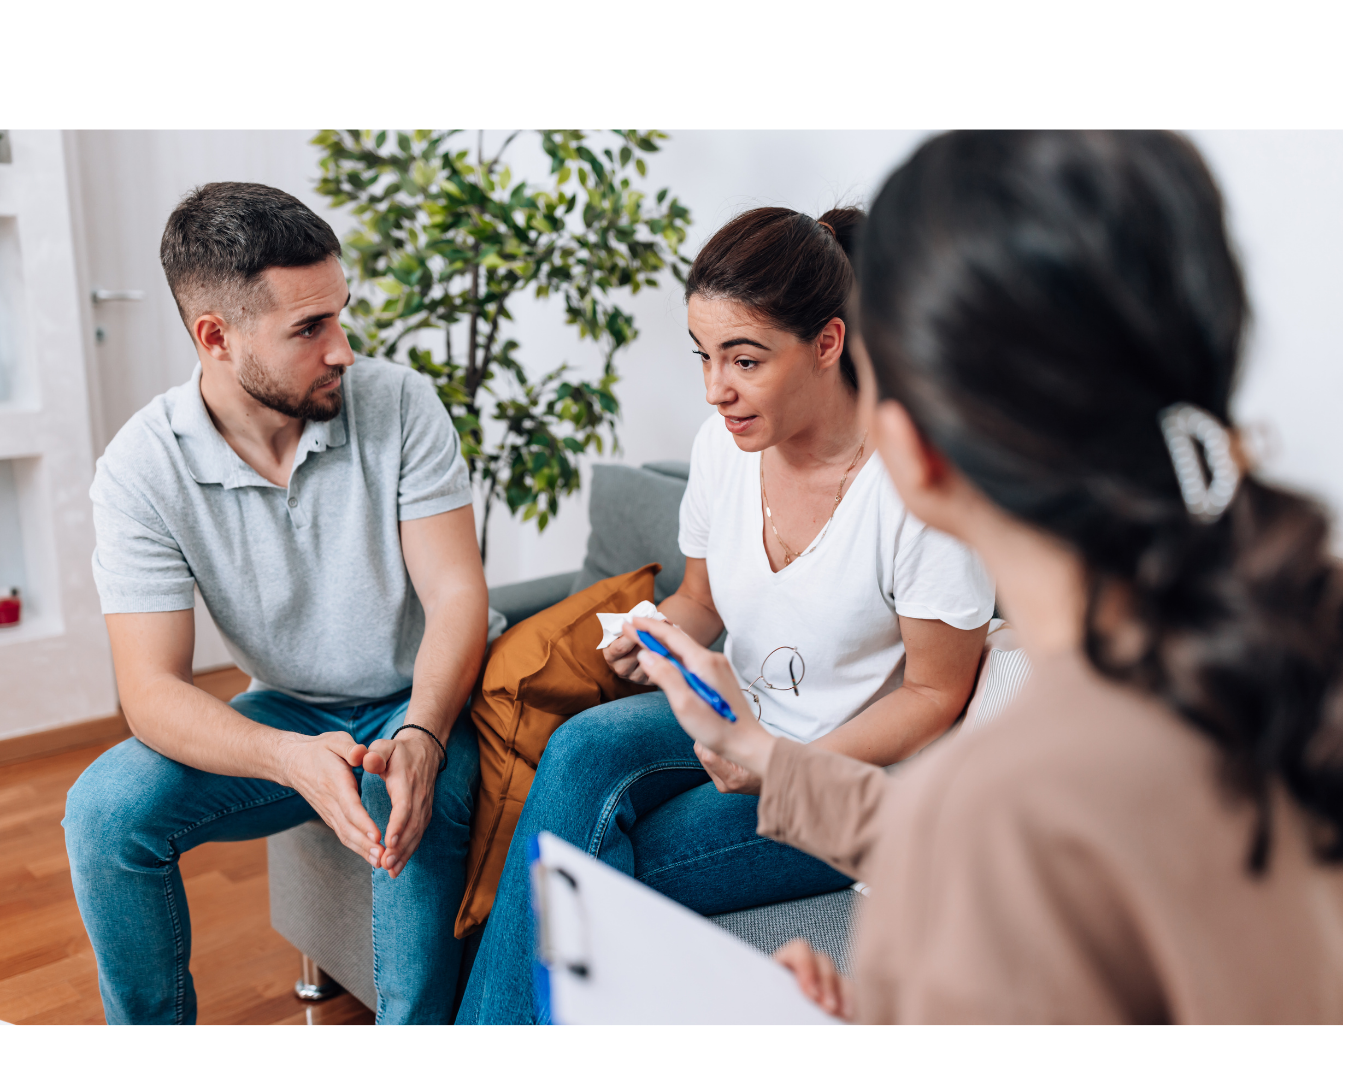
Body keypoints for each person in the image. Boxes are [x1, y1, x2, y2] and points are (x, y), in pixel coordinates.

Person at [633, 129, 1343, 1024]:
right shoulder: (1279, 644)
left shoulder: (1006, 806)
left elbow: (993, 847)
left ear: (915, 447)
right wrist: (770, 758)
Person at [460, 207, 995, 1024]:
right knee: (577, 749)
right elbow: (702, 602)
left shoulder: (914, 489)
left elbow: (936, 695)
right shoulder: (725, 447)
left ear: (828, 342)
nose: (717, 390)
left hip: (838, 778)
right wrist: (656, 638)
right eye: (704, 357)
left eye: (744, 359)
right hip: (728, 714)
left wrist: (778, 764)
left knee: (579, 873)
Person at [63, 183, 488, 1025]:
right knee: (104, 815)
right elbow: (149, 690)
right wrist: (286, 757)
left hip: (424, 701)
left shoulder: (399, 404)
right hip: (290, 712)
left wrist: (423, 734)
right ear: (215, 337)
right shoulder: (140, 470)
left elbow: (455, 592)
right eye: (309, 329)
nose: (344, 350)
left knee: (411, 814)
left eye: (341, 314)